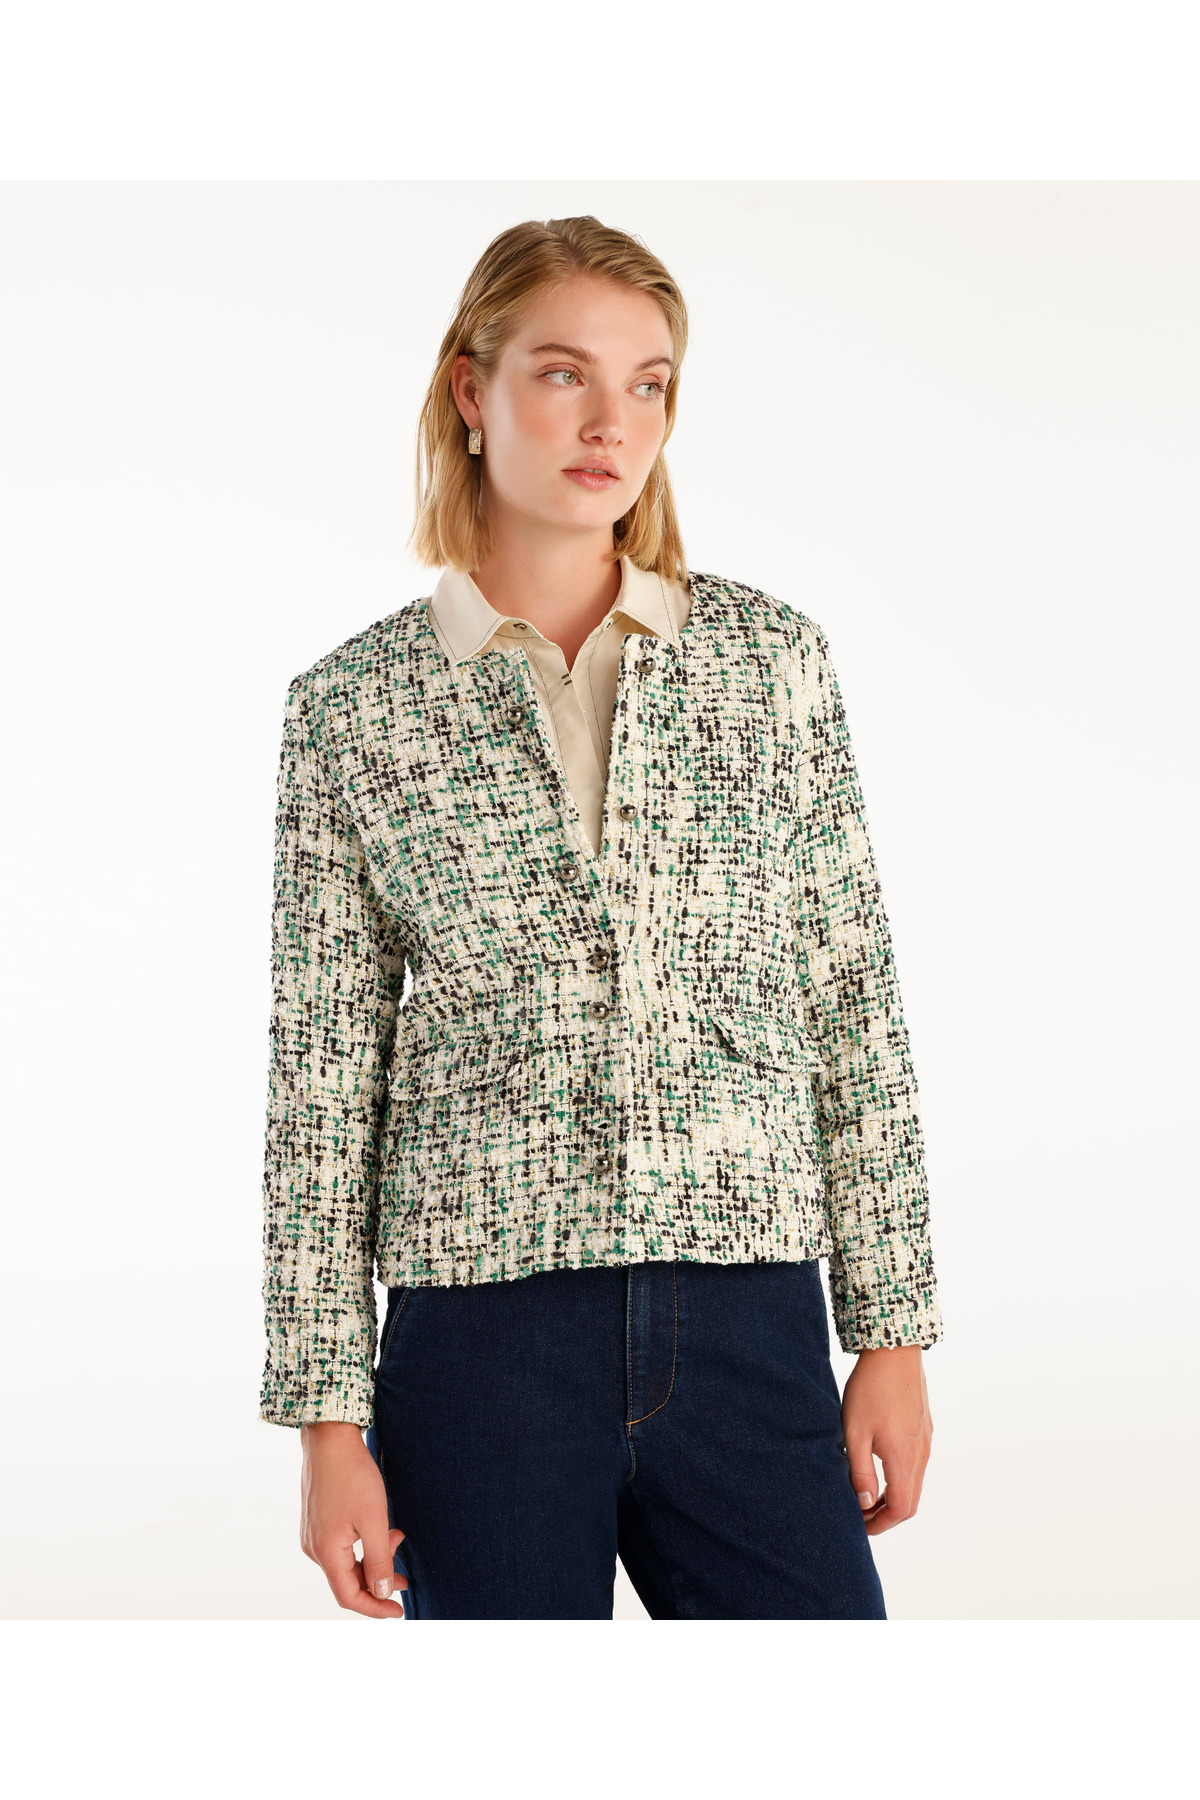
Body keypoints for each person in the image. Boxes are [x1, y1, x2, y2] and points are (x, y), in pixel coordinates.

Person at [259, 214, 943, 1620]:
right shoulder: (353, 710)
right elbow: (322, 1081)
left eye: (649, 383)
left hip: (748, 1314)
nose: (610, 422)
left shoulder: (769, 663)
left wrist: (892, 1334)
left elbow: (852, 1005)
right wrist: (327, 1421)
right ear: (471, 389)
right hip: (480, 1339)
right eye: (564, 373)